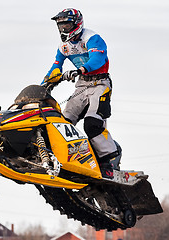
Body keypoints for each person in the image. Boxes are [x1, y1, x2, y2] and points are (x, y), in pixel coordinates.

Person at [42, 8, 119, 179]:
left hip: (100, 83)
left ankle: (110, 158)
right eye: (61, 26)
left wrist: (82, 69)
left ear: (76, 24)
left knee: (92, 123)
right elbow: (56, 65)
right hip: (81, 85)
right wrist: (44, 85)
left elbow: (98, 59)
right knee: (62, 123)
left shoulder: (92, 38)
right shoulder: (64, 46)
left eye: (67, 25)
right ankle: (66, 158)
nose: (64, 29)